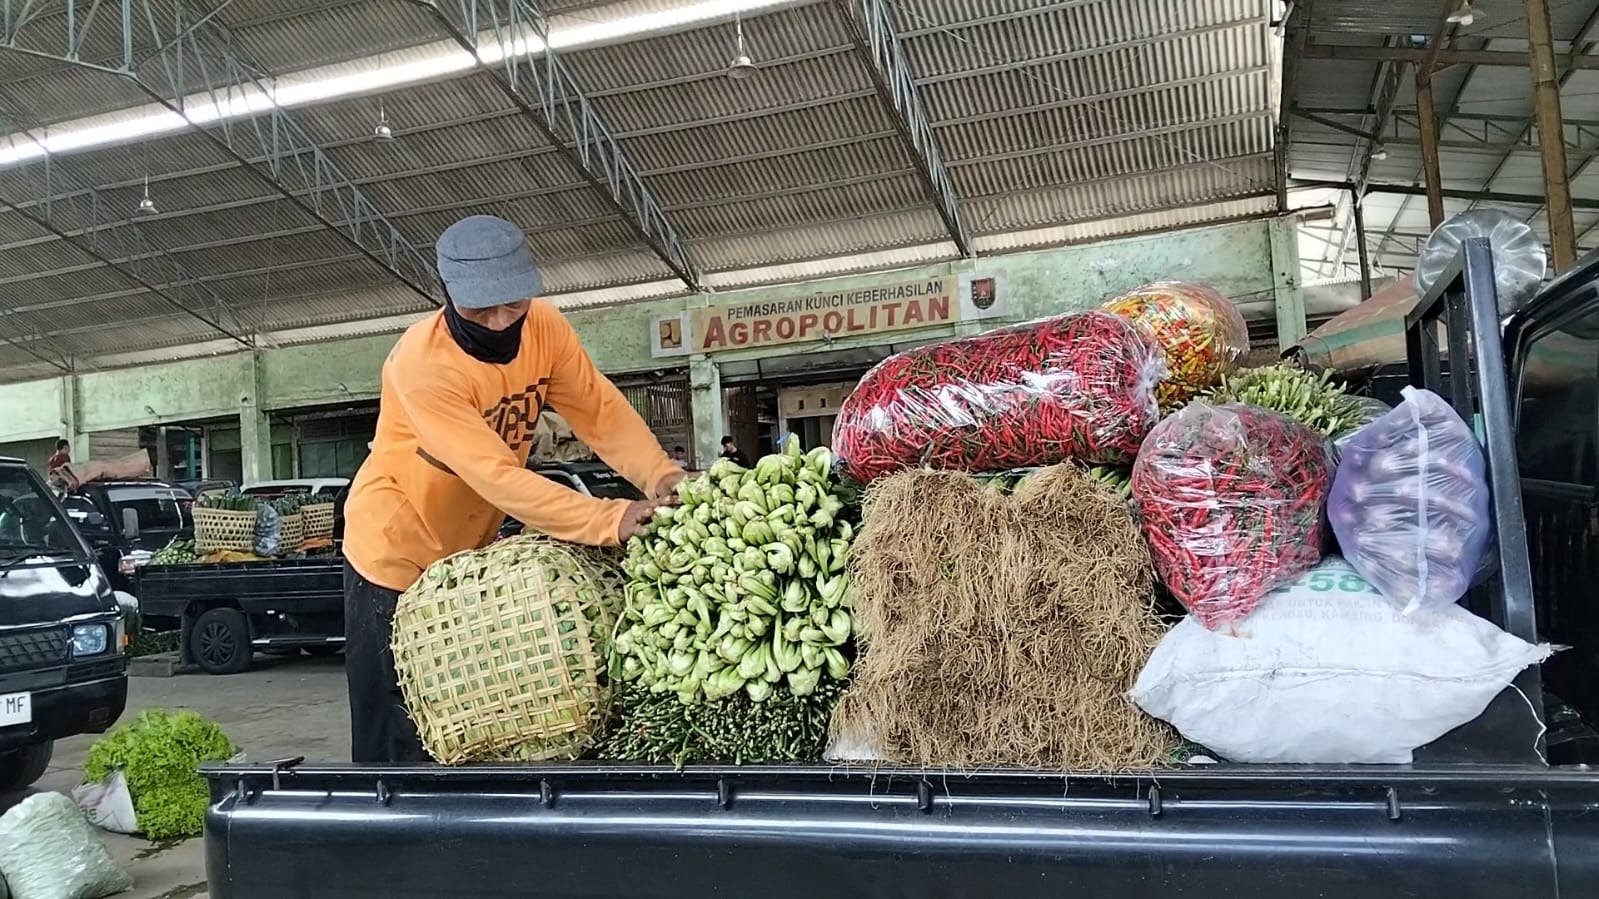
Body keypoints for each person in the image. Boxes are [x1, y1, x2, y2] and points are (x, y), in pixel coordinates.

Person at [342, 214, 685, 765]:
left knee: (468, 708)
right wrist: (608, 519)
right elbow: (496, 476)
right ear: (449, 294)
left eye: (514, 304)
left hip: (466, 554)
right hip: (395, 551)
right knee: (397, 726)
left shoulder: (545, 327)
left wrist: (659, 474)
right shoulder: (422, 366)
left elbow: (598, 410)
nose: (501, 322)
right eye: (482, 310)